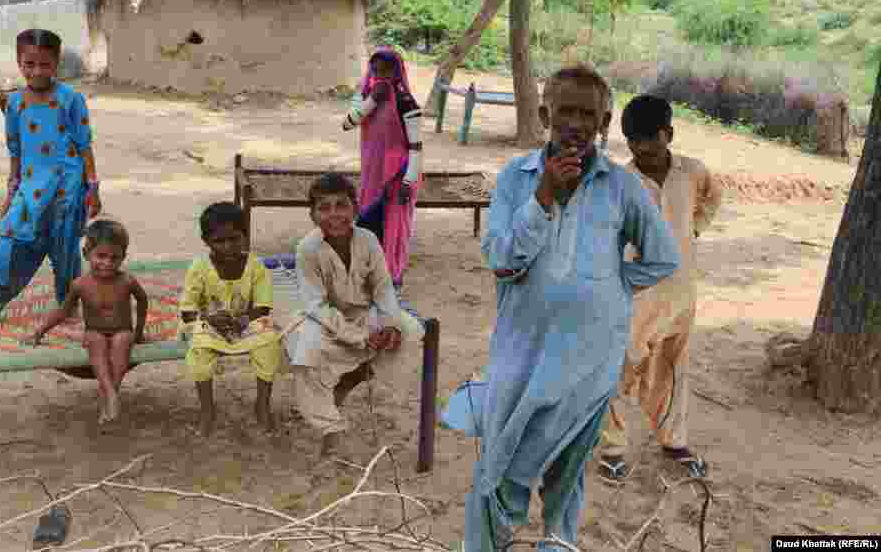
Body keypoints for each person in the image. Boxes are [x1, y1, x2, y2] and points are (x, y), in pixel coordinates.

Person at [441, 66, 681, 552]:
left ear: (603, 121)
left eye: (587, 114)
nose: (575, 122)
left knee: (566, 476)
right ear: (545, 113)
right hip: (522, 356)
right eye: (565, 111)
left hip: (589, 364)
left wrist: (611, 284)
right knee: (500, 469)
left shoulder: (621, 186)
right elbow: (501, 257)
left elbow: (662, 257)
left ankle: (557, 544)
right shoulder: (516, 177)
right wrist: (544, 195)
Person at [598, 95, 723, 481]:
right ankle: (612, 449)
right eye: (632, 140)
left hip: (682, 291)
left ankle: (674, 441)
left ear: (668, 134)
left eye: (649, 139)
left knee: (672, 366)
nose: (640, 148)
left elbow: (713, 198)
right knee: (621, 368)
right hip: (636, 295)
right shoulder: (620, 182)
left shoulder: (693, 172)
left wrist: (695, 229)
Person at [0, 29, 102, 333]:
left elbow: (84, 146)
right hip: (30, 191)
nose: (37, 72)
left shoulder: (71, 100)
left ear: (56, 63)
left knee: (65, 254)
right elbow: (15, 150)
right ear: (19, 62)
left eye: (45, 65)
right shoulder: (14, 104)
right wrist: (11, 191)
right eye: (29, 64)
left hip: (67, 189)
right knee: (8, 248)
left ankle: (67, 309)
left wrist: (93, 188)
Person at [286, 173, 423, 458]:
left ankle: (352, 378)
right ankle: (330, 429)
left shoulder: (368, 240)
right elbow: (315, 305)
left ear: (355, 209)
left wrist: (390, 325)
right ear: (312, 215)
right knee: (305, 350)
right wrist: (358, 336)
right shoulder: (307, 249)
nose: (334, 215)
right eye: (324, 207)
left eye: (341, 205)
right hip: (324, 318)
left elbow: (383, 288)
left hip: (365, 313)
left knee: (411, 332)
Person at [179, 202, 283, 436]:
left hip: (246, 325)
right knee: (199, 348)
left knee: (269, 341)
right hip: (209, 325)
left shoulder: (256, 267)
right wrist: (209, 318)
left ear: (245, 235)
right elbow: (187, 311)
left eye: (234, 239)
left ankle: (262, 405)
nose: (228, 246)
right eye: (219, 241)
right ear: (206, 241)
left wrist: (244, 320)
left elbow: (263, 306)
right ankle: (207, 410)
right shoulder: (199, 268)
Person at [31, 220, 147, 424]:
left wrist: (139, 331)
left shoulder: (127, 280)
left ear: (123, 257)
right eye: (101, 256)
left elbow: (143, 300)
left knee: (122, 341)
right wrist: (41, 331)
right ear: (86, 254)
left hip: (123, 331)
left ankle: (110, 397)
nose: (108, 263)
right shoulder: (80, 284)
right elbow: (63, 312)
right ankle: (111, 394)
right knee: (96, 341)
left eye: (115, 257)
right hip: (95, 331)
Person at [342, 47, 423, 290]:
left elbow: (416, 147)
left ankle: (390, 277)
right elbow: (348, 123)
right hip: (372, 174)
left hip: (398, 175)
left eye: (386, 70)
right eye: (376, 70)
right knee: (368, 222)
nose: (381, 75)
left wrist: (408, 181)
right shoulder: (366, 95)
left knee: (394, 226)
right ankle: (368, 274)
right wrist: (373, 99)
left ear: (397, 71)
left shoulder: (406, 102)